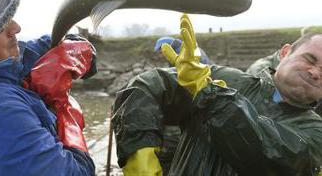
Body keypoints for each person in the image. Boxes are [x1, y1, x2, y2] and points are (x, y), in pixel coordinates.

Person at [112, 14, 322, 175]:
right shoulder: (230, 79)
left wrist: (209, 93)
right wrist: (139, 152)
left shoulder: (316, 132)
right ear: (285, 53)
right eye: (310, 59)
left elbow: (268, 152)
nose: (314, 73)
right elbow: (147, 86)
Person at [0, 0, 96, 175]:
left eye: (9, 16)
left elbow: (39, 48)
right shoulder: (2, 113)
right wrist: (65, 116)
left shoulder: (5, 64)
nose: (15, 27)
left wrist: (76, 49)